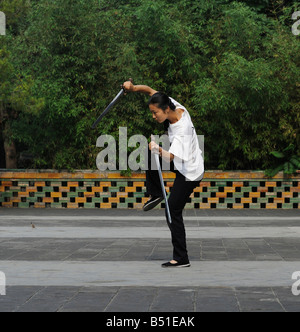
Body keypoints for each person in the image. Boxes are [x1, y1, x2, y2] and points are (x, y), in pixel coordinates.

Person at [123, 81, 204, 268]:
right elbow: (151, 90)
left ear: (166, 109)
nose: (153, 116)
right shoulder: (175, 106)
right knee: (148, 152)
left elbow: (171, 156)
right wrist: (133, 88)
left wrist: (158, 149)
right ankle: (157, 193)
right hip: (183, 163)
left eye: (155, 113)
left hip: (190, 172)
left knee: (172, 210)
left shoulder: (181, 130)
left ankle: (181, 258)